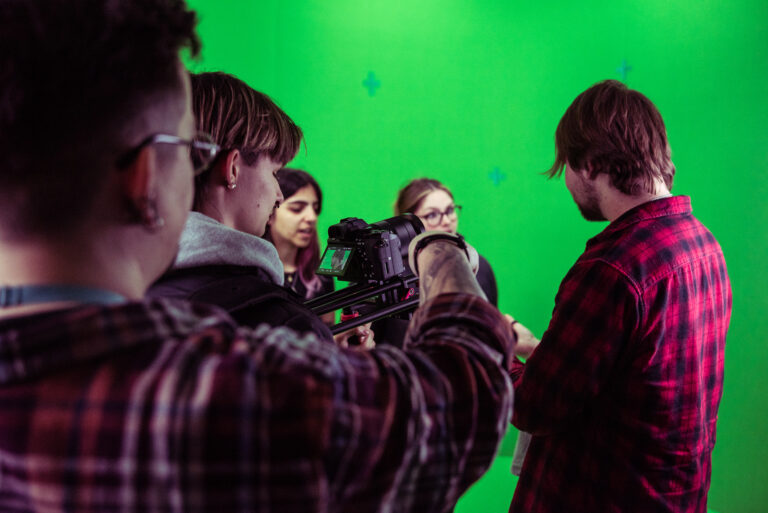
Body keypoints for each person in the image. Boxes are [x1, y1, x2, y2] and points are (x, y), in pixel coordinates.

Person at [0, 2, 515, 512]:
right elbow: (461, 401)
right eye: (187, 153)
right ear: (148, 175)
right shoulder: (228, 391)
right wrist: (440, 249)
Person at [507, 80, 731, 513]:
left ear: (590, 163)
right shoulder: (705, 245)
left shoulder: (612, 268)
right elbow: (636, 379)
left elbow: (535, 407)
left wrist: (493, 348)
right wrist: (539, 349)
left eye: (566, 167)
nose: (567, 181)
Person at [148, 72, 332, 340]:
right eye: (274, 173)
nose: (279, 196)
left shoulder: (127, 298)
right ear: (233, 168)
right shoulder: (285, 326)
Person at [395, 178, 498, 306]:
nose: (447, 221)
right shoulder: (395, 280)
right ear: (408, 224)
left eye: (450, 210)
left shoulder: (480, 267)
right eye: (432, 215)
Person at [264, 168, 336, 324]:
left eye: (315, 209)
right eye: (297, 209)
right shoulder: (255, 274)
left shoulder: (322, 274)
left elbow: (330, 329)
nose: (311, 217)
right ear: (269, 212)